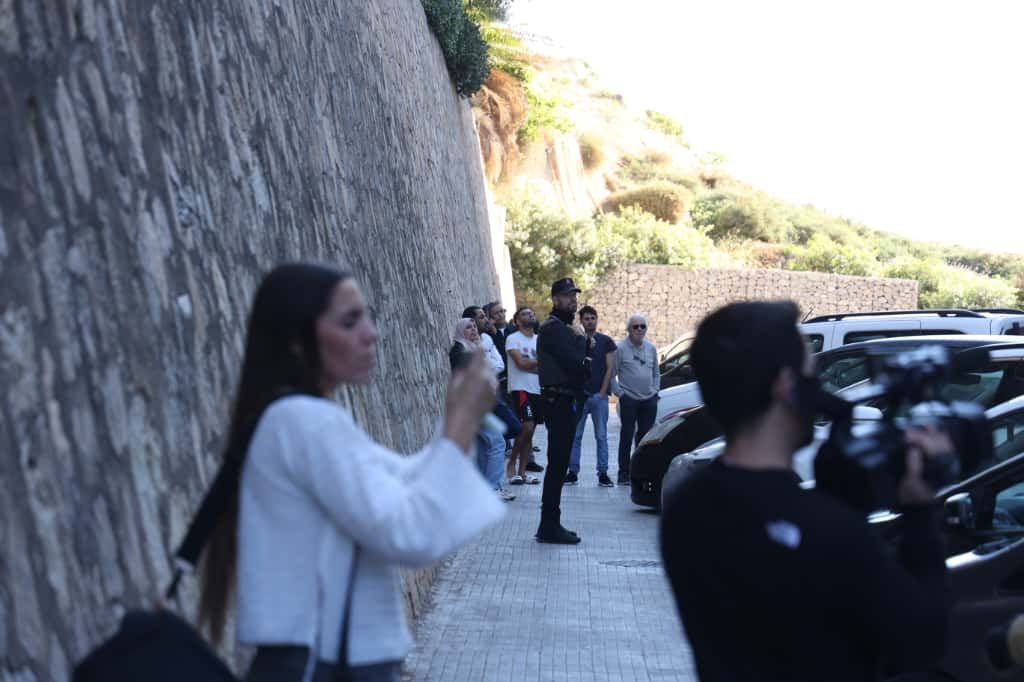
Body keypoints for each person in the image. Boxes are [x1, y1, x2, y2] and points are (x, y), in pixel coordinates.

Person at [197, 263, 505, 682]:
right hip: (325, 665)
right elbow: (408, 531)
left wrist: (457, 421)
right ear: (297, 340)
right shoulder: (304, 421)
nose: (370, 333)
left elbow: (400, 482)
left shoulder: (299, 418)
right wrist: (460, 424)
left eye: (367, 316)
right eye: (349, 320)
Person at [660, 301, 950, 682]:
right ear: (785, 385)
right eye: (812, 374)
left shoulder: (686, 506)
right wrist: (920, 512)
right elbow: (921, 640)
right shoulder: (827, 531)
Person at [536, 277, 591, 544]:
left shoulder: (564, 329)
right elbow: (576, 365)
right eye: (568, 296)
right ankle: (548, 525)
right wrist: (583, 342)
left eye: (574, 295)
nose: (573, 300)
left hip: (565, 401)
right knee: (558, 463)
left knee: (559, 463)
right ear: (555, 299)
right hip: (559, 402)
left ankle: (551, 522)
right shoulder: (555, 329)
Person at [451, 318, 516, 502]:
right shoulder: (460, 351)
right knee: (497, 444)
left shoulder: (471, 349)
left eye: (474, 327)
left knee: (482, 447)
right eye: (469, 328)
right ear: (461, 331)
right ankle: (492, 488)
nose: (473, 330)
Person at [567, 306, 616, 487]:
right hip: (579, 396)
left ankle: (602, 473)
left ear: (597, 319)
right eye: (586, 318)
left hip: (598, 396)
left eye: (593, 318)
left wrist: (602, 392)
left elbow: (610, 368)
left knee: (601, 436)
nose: (590, 321)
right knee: (575, 435)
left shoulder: (606, 341)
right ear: (581, 321)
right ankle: (572, 471)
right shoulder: (575, 341)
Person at [611, 313, 659, 485]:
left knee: (645, 438)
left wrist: (655, 391)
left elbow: (656, 374)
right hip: (629, 398)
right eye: (635, 326)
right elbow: (611, 374)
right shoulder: (620, 348)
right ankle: (623, 474)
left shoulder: (651, 348)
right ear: (629, 330)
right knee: (626, 435)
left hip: (649, 400)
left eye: (642, 326)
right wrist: (620, 393)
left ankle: (640, 473)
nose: (639, 329)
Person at [504, 307, 542, 485]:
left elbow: (545, 366)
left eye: (531, 313)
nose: (531, 315)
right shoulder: (513, 339)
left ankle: (522, 472)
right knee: (526, 427)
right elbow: (520, 363)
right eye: (526, 313)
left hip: (538, 390)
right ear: (517, 321)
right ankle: (512, 461)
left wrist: (533, 365)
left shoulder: (540, 340)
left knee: (531, 431)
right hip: (521, 388)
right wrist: (539, 364)